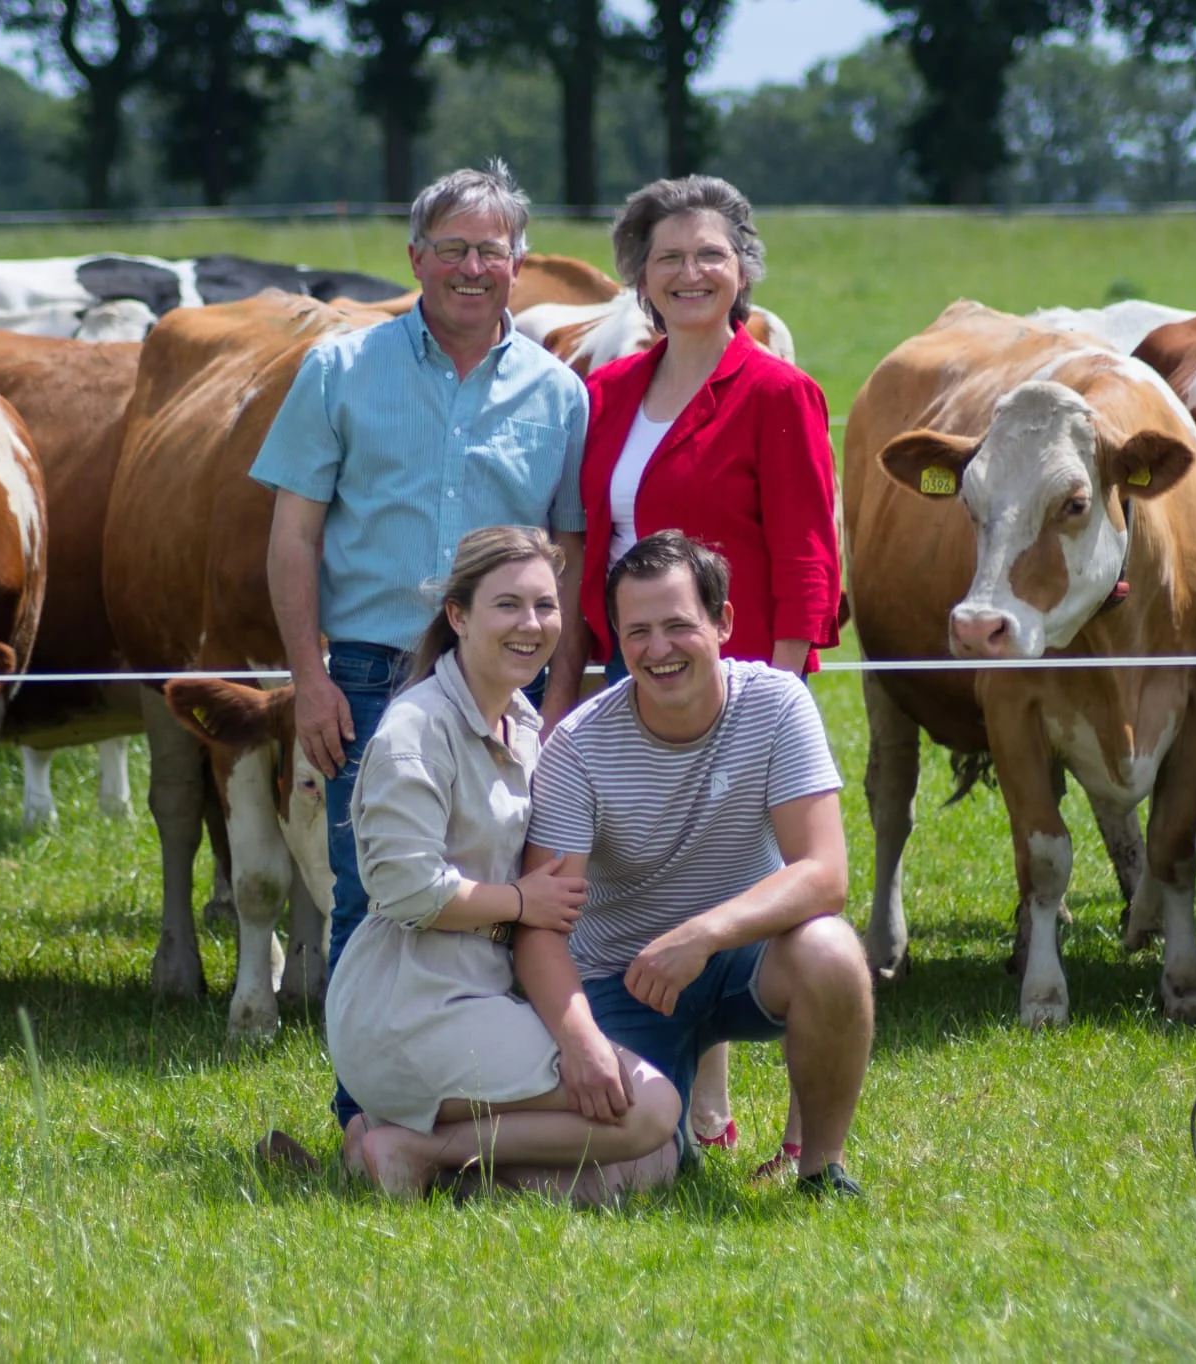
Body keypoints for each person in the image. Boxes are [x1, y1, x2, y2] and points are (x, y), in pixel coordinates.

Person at [250, 161, 591, 1135]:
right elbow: (292, 533)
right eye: (452, 248)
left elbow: (563, 550)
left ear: (518, 265)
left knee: (504, 887)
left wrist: (557, 691)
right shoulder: (338, 369)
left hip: (501, 674)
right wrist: (308, 678)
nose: (471, 267)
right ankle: (368, 1113)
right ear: (414, 259)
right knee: (377, 889)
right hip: (364, 665)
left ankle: (476, 1091)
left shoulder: (556, 392)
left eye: (491, 249)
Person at [580, 175, 842, 1155]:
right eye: (667, 258)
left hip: (737, 687)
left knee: (754, 892)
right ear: (638, 281)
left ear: (741, 271)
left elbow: (809, 554)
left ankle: (803, 1130)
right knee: (647, 887)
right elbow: (587, 543)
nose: (689, 273)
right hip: (627, 678)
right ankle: (699, 1115)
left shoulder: (777, 390)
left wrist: (775, 692)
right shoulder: (604, 393)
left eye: (709, 255)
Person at [327, 526, 680, 1201]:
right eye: (508, 605)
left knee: (649, 1166)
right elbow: (404, 889)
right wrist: (519, 903)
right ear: (457, 616)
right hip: (410, 1008)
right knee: (652, 1109)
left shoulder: (520, 723)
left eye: (546, 606)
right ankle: (422, 1145)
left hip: (483, 998)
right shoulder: (415, 729)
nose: (532, 624)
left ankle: (397, 1154)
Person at [516, 532, 872, 1198]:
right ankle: (435, 1164)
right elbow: (540, 927)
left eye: (679, 625)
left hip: (742, 961)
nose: (658, 650)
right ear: (614, 639)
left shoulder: (777, 703)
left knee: (832, 949)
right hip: (619, 981)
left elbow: (825, 873)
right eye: (638, 632)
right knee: (639, 1178)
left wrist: (702, 936)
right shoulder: (577, 748)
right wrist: (582, 1042)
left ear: (724, 622)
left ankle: (822, 1168)